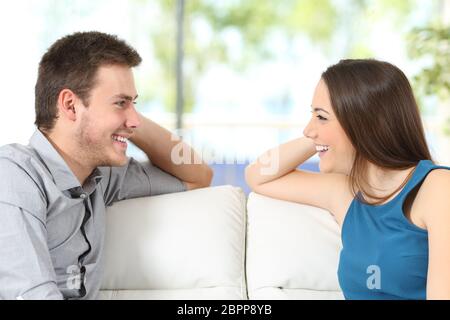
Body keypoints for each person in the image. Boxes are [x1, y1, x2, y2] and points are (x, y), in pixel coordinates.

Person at [0, 31, 213, 300]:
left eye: (134, 104)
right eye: (120, 102)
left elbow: (197, 175)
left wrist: (125, 119)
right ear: (70, 105)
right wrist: (121, 122)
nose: (135, 120)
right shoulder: (13, 175)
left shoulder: (104, 177)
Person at [245, 59, 450, 300]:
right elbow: (259, 175)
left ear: (362, 122)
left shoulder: (438, 188)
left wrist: (340, 133)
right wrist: (319, 138)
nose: (307, 129)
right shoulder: (346, 192)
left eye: (321, 116)